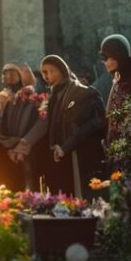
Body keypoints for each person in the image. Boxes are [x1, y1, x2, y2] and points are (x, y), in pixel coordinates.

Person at [39, 55, 105, 197]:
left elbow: (88, 125)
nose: (48, 75)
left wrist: (65, 146)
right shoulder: (53, 95)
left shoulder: (81, 92)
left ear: (62, 70)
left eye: (52, 71)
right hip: (57, 154)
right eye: (44, 72)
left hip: (76, 154)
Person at [100, 34, 131, 147]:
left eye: (111, 58)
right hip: (119, 147)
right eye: (104, 58)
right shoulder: (119, 76)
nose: (107, 63)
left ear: (120, 57)